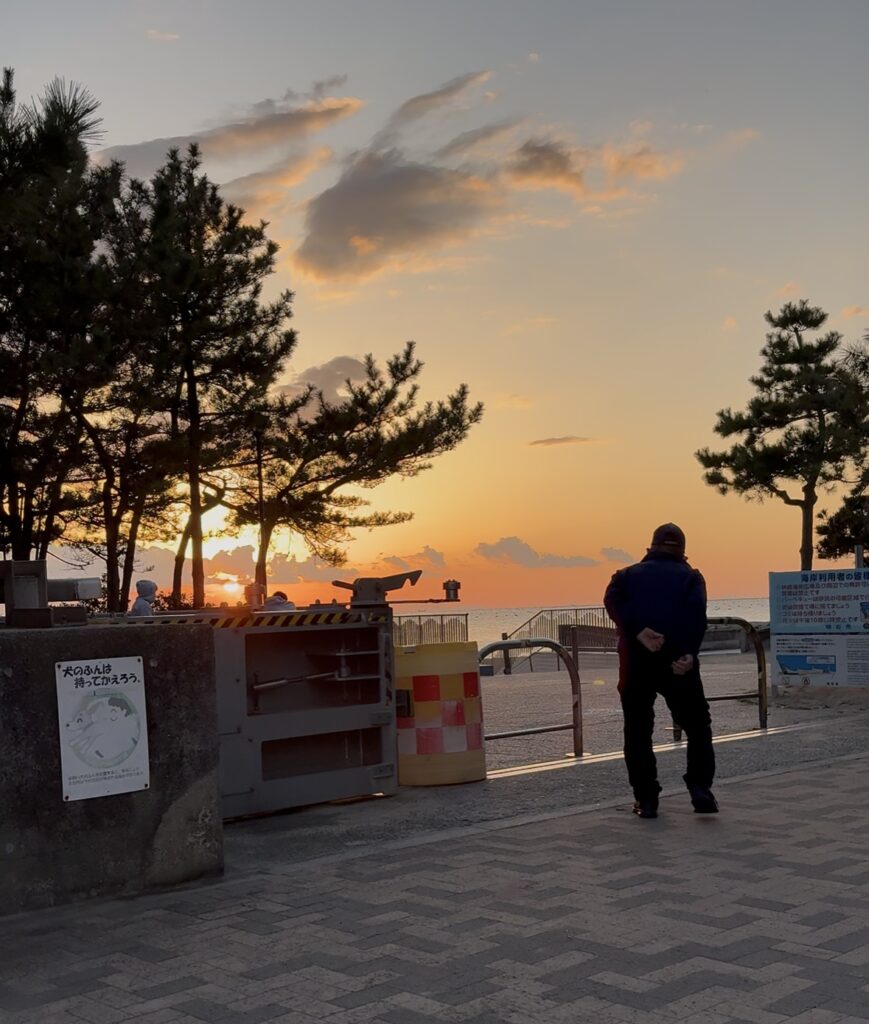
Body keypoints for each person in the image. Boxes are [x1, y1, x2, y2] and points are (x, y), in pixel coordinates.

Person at [603, 523, 718, 819]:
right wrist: (689, 653)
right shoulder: (691, 577)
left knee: (638, 731)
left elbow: (611, 600)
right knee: (697, 725)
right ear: (683, 553)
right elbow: (697, 616)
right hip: (678, 663)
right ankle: (700, 788)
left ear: (649, 549)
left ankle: (647, 799)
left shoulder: (625, 576)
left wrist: (638, 630)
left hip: (635, 663)